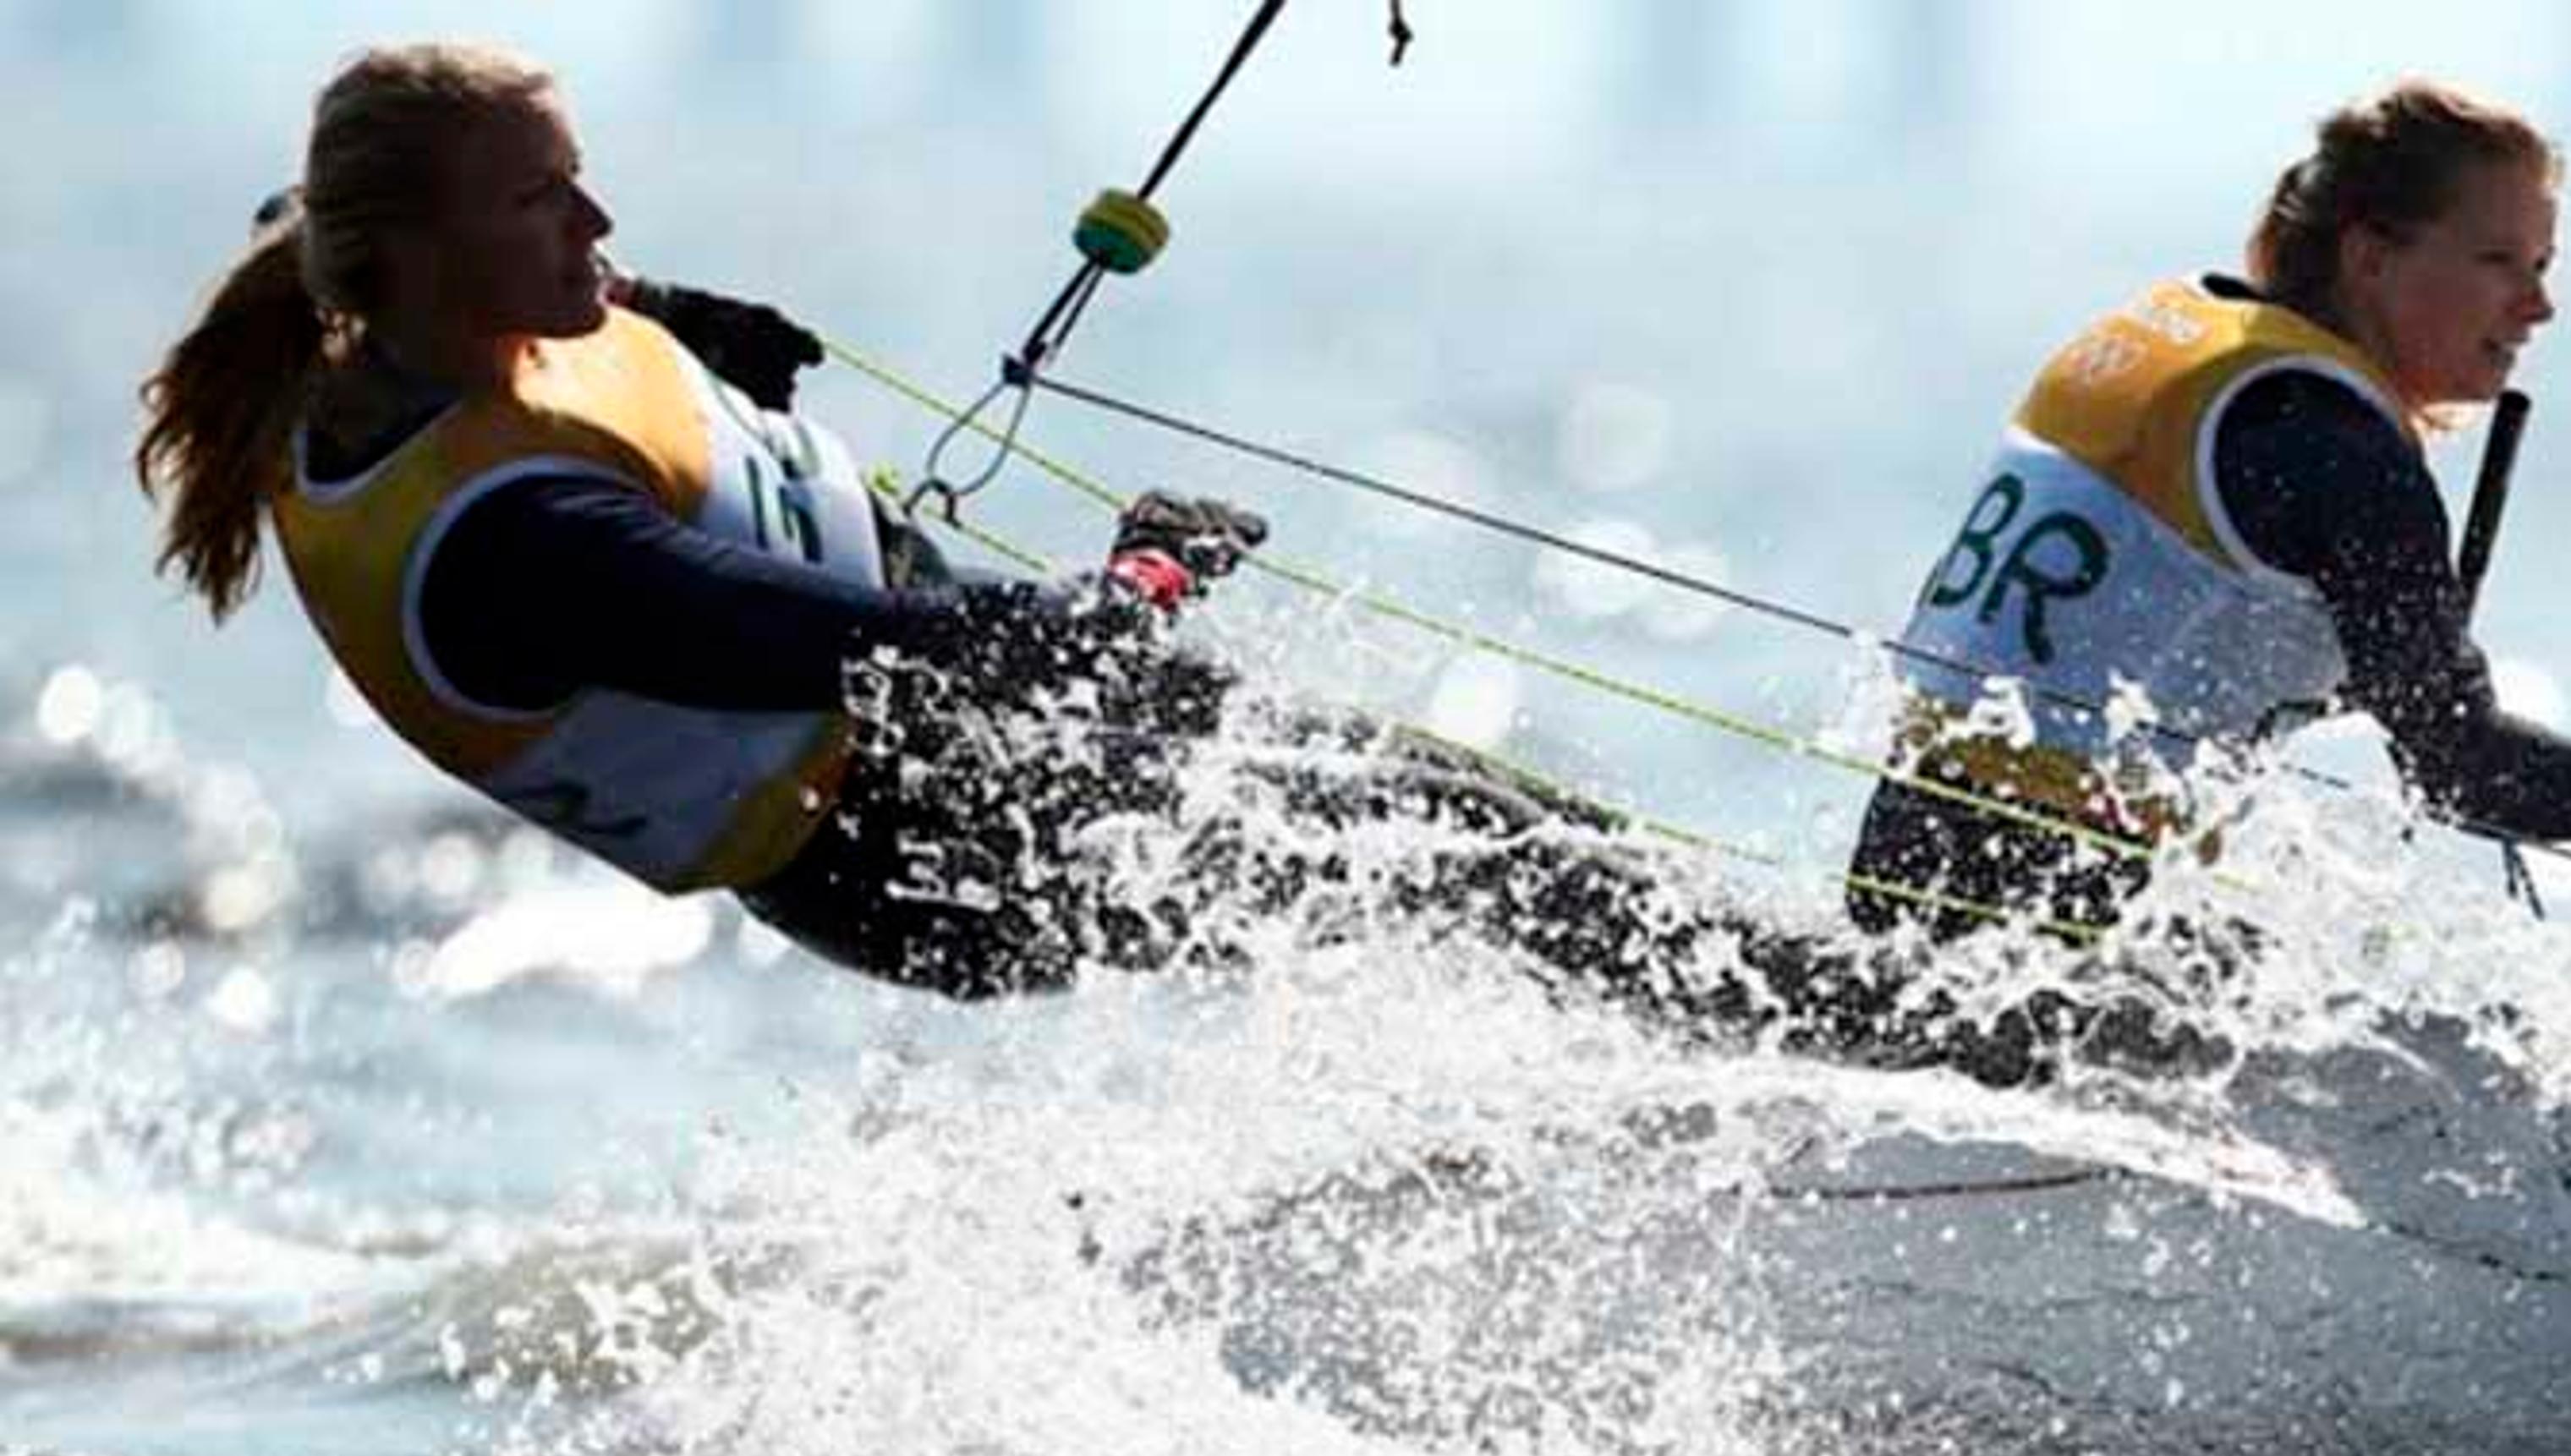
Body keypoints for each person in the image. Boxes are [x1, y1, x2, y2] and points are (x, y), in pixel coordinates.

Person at [135, 42, 2139, 1078]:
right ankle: (1930, 1051)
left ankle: (1863, 1023)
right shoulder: (512, 549)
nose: (596, 219)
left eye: (581, 178)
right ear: (404, 257)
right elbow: (903, 665)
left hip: (976, 771)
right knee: (1478, 859)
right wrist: (1143, 579)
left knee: (1476, 838)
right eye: (538, 199)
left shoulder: (452, 325)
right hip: (928, 848)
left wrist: (686, 316)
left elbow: (539, 296)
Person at [1850, 79, 2571, 939]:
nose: (2537, 306)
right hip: (2056, 911)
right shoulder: (2343, 453)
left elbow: (2165, 627)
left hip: (1901, 859)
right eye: (2499, 261)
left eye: (2544, 264)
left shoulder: (2195, 340)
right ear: (2371, 256)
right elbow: (2463, 768)